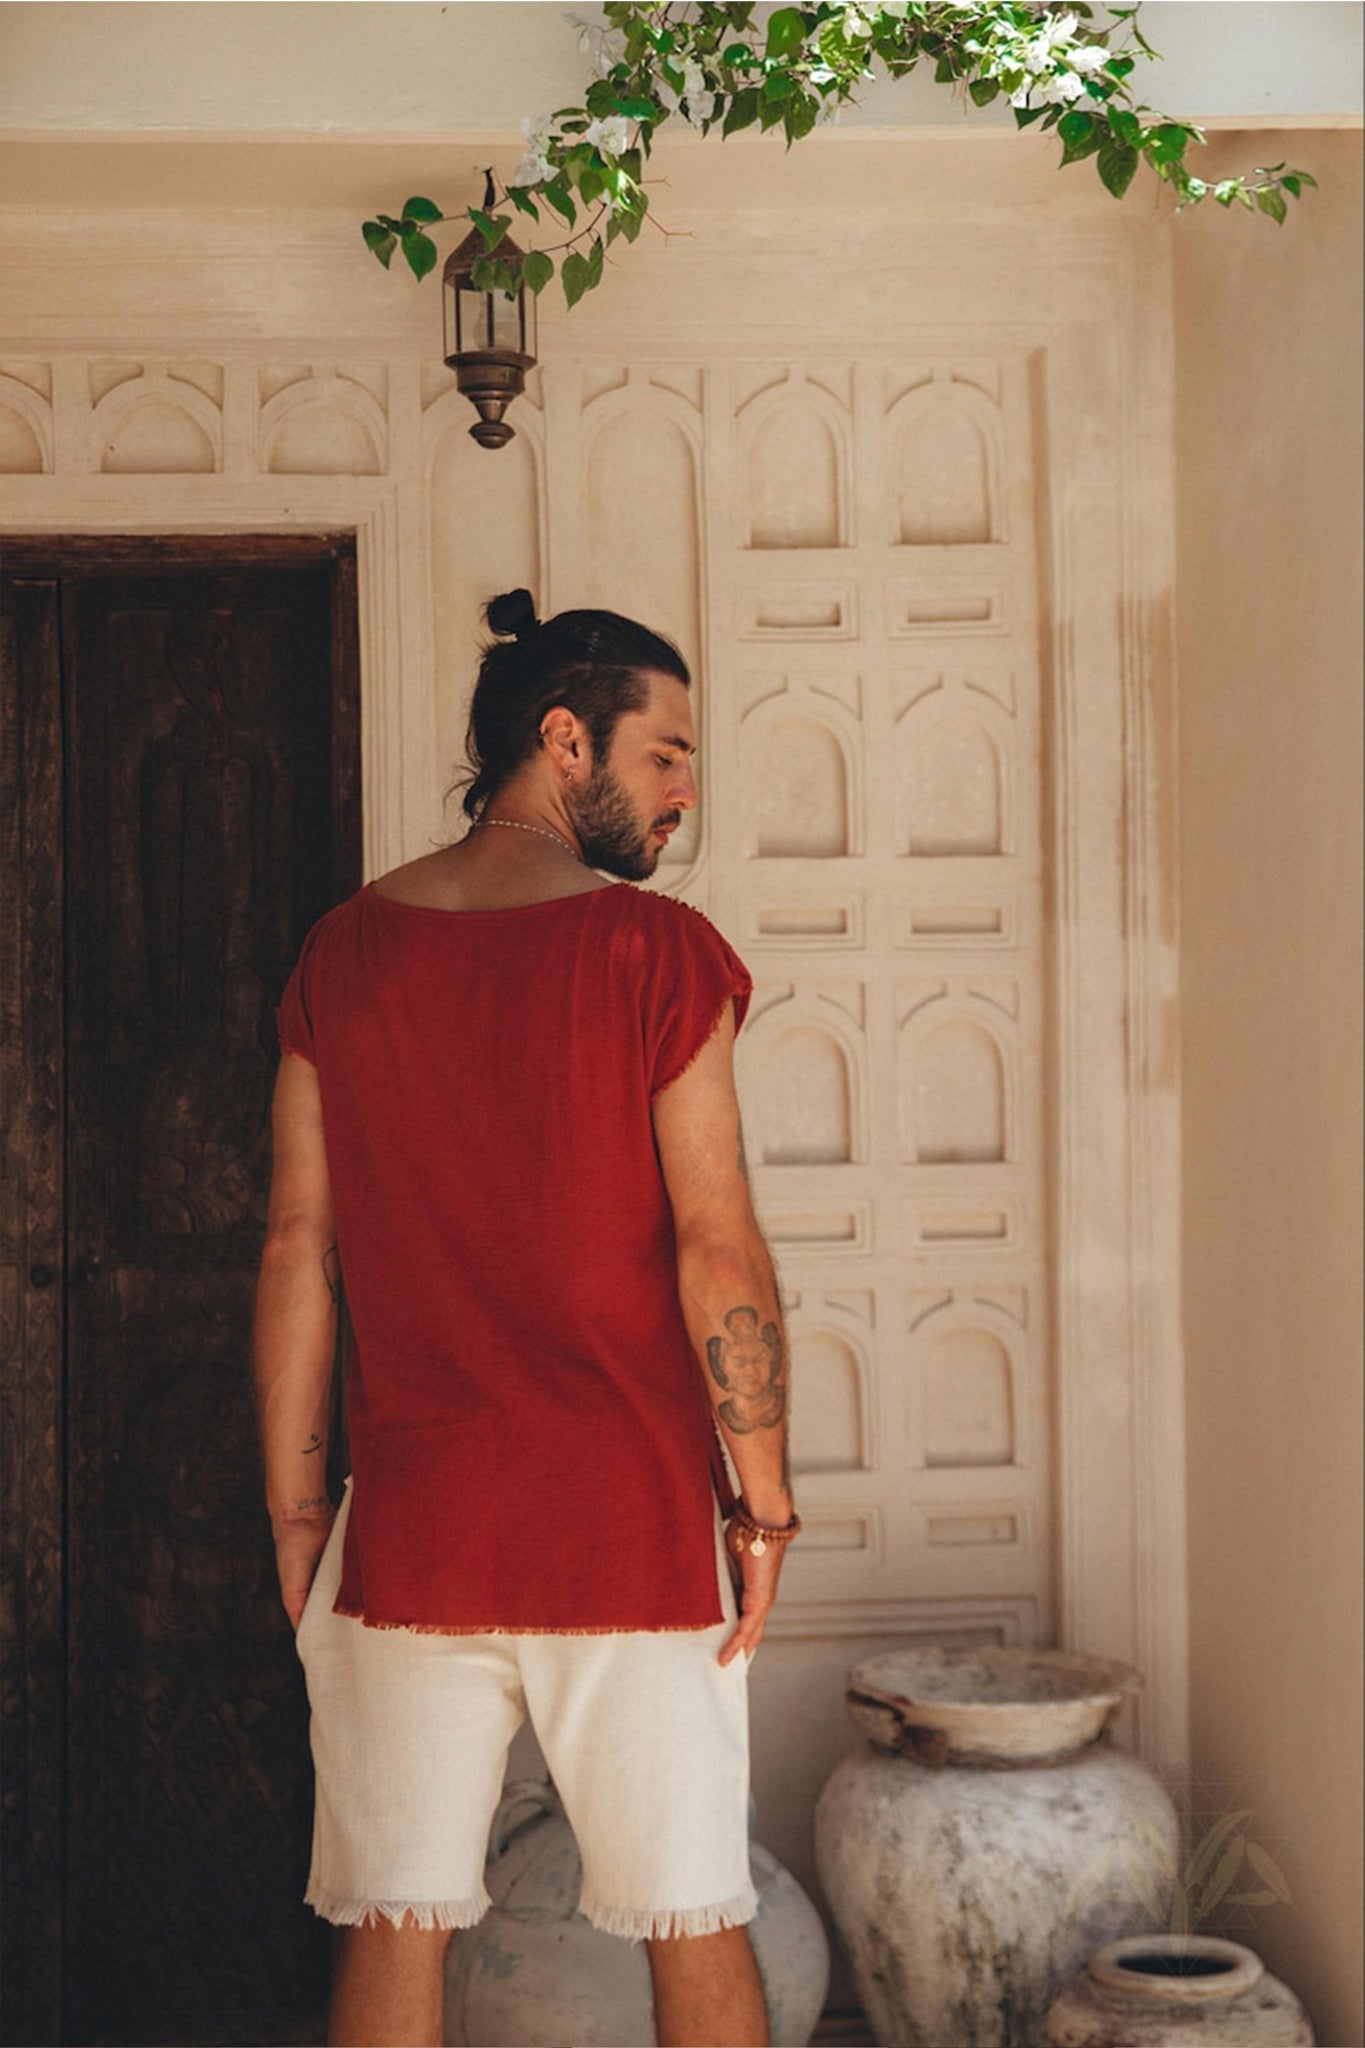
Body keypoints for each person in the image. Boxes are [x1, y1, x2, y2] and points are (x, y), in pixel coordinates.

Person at [252, 588, 799, 2048]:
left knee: (394, 1921)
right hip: (625, 1524)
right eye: (667, 752)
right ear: (566, 740)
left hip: (413, 1525)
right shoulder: (657, 954)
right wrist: (762, 1507)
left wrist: (303, 1517)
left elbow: (298, 1248)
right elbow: (715, 1248)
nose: (688, 789)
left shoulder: (342, 957)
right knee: (694, 1920)